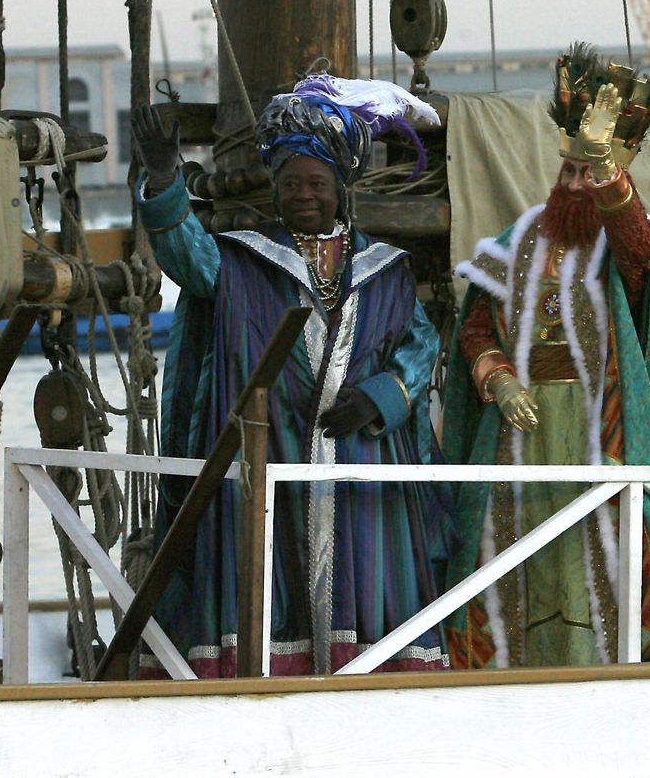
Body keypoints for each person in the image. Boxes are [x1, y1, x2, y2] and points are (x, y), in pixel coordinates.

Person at [132, 74, 454, 677]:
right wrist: (161, 179)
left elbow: (420, 342)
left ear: (340, 188)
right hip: (264, 460)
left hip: (365, 467)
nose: (303, 194)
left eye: (316, 182)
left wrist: (382, 397)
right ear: (274, 190)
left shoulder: (386, 271)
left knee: (375, 603)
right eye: (290, 183)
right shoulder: (240, 261)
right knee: (261, 579)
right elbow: (184, 255)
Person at [440, 44, 650, 668]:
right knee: (515, 558)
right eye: (569, 172)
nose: (575, 185)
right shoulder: (514, 242)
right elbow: (473, 327)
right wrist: (496, 378)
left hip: (602, 432)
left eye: (588, 174)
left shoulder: (625, 246)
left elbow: (634, 248)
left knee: (603, 554)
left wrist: (607, 173)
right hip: (519, 434)